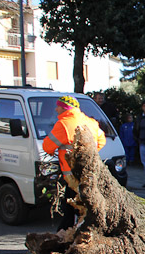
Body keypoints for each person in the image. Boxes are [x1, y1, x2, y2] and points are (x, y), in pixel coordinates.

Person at [42, 95, 106, 232]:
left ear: (64, 108)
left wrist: (55, 150)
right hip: (89, 173)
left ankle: (68, 234)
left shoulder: (63, 124)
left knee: (71, 207)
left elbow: (47, 146)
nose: (56, 109)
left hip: (71, 175)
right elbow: (102, 141)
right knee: (83, 206)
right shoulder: (91, 122)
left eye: (58, 106)